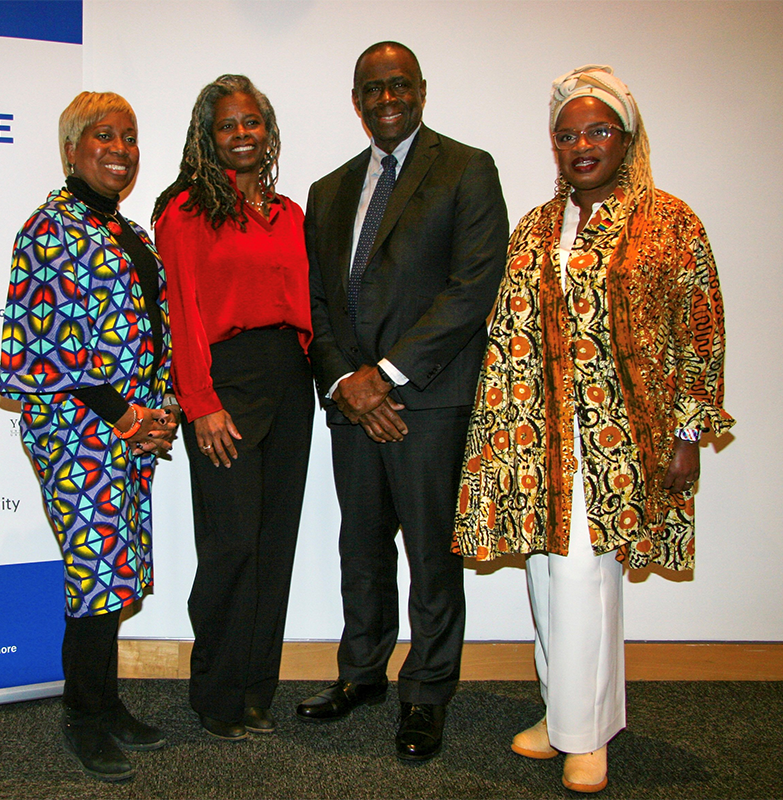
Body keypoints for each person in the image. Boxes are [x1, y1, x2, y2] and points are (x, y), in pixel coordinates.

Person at [454, 65, 734, 793]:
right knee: (548, 580)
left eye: (598, 130)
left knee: (584, 578)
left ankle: (586, 734)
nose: (582, 145)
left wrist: (686, 436)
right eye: (568, 134)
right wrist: (493, 439)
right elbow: (506, 331)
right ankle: (564, 714)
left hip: (620, 440)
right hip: (535, 437)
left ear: (627, 136)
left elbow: (699, 331)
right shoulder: (538, 227)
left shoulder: (670, 222)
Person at [299, 41, 508, 762]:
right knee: (359, 548)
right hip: (351, 403)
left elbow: (471, 291)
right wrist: (348, 384)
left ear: (420, 89)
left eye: (399, 85)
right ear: (356, 102)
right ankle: (361, 674)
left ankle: (426, 692)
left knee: (429, 554)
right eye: (372, 89)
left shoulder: (466, 169)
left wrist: (384, 376)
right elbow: (318, 309)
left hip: (429, 399)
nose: (387, 98)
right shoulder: (328, 192)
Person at [0, 91, 178, 783]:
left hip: (126, 432)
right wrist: (123, 415)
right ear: (72, 147)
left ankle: (106, 705)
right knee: (96, 573)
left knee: (116, 573)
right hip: (79, 429)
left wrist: (156, 412)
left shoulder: (123, 228)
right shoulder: (50, 228)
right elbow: (42, 350)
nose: (121, 149)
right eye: (104, 135)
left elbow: (146, 334)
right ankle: (82, 715)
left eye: (130, 137)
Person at [152, 75, 314, 741]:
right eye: (229, 125)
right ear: (207, 137)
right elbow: (179, 316)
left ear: (267, 133)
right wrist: (200, 404)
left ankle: (255, 692)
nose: (243, 134)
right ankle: (216, 694)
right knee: (230, 544)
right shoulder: (186, 211)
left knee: (274, 545)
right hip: (225, 384)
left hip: (288, 379)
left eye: (253, 122)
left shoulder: (290, 214)